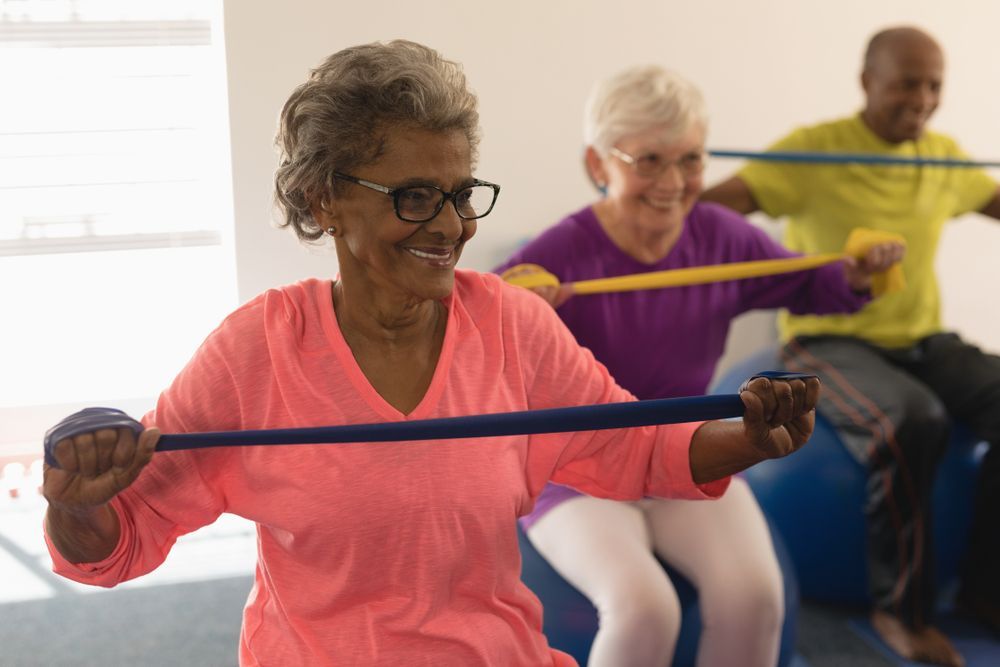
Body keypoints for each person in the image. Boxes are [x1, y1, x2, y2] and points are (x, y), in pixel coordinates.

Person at [41, 40, 821, 667]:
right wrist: (78, 502)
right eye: (414, 196)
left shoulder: (511, 327)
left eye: (460, 193)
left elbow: (636, 444)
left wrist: (753, 437)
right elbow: (120, 540)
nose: (450, 226)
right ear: (324, 199)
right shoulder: (258, 351)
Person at [495, 66, 903, 667]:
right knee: (644, 607)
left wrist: (860, 272)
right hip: (578, 472)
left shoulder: (721, 237)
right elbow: (477, 345)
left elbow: (813, 281)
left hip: (689, 453)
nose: (674, 182)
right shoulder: (556, 258)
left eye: (690, 160)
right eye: (649, 160)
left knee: (756, 597)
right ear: (597, 165)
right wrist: (514, 312)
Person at [702, 25, 1000, 667]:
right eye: (905, 83)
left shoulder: (942, 157)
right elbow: (708, 214)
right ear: (868, 82)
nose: (921, 99)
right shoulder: (816, 151)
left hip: (921, 339)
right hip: (829, 336)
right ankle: (900, 614)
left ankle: (985, 595)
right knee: (909, 421)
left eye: (934, 86)